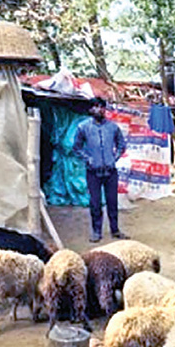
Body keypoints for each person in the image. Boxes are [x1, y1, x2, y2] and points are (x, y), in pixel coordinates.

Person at [74, 97, 128, 243]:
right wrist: (89, 159)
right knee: (95, 203)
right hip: (93, 172)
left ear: (105, 109)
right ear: (91, 110)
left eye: (101, 107)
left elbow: (122, 145)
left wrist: (114, 158)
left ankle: (115, 230)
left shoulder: (113, 127)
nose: (99, 110)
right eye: (95, 107)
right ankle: (96, 232)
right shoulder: (83, 127)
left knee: (112, 201)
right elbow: (76, 148)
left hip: (111, 172)